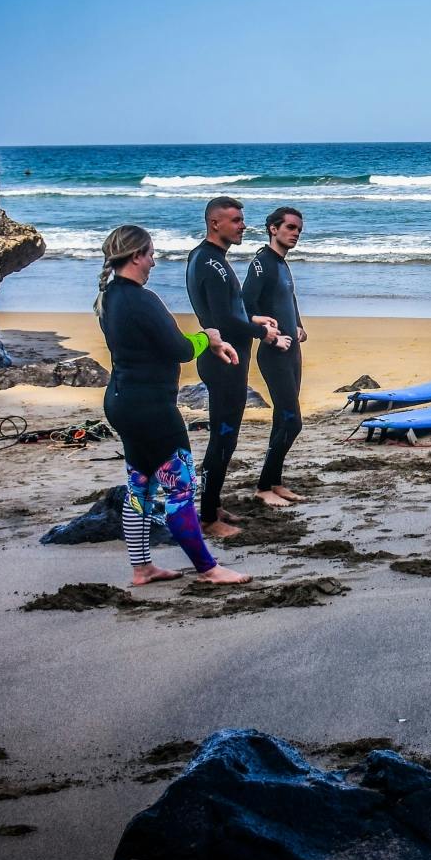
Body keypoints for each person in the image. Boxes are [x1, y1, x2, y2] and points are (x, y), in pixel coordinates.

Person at [94, 225, 250, 586]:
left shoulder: (110, 297)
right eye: (150, 254)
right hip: (150, 409)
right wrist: (207, 337)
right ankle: (208, 568)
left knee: (140, 487)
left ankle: (142, 568)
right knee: (179, 488)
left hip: (122, 402)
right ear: (136, 256)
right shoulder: (140, 299)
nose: (153, 260)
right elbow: (180, 350)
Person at [186, 196, 281, 539]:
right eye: (237, 220)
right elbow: (223, 319)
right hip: (223, 361)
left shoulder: (208, 258)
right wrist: (262, 332)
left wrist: (251, 318)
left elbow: (225, 312)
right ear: (215, 223)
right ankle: (208, 518)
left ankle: (212, 505)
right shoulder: (211, 263)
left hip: (226, 360)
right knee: (222, 440)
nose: (243, 225)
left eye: (242, 219)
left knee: (226, 439)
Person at [242, 207, 308, 507]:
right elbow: (245, 306)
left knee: (283, 419)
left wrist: (298, 326)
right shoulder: (262, 263)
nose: (295, 233)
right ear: (273, 228)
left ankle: (274, 482)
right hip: (274, 354)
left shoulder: (282, 264)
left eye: (298, 229)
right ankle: (262, 487)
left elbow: (287, 299)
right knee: (292, 421)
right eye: (290, 228)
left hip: (292, 350)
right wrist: (267, 334)